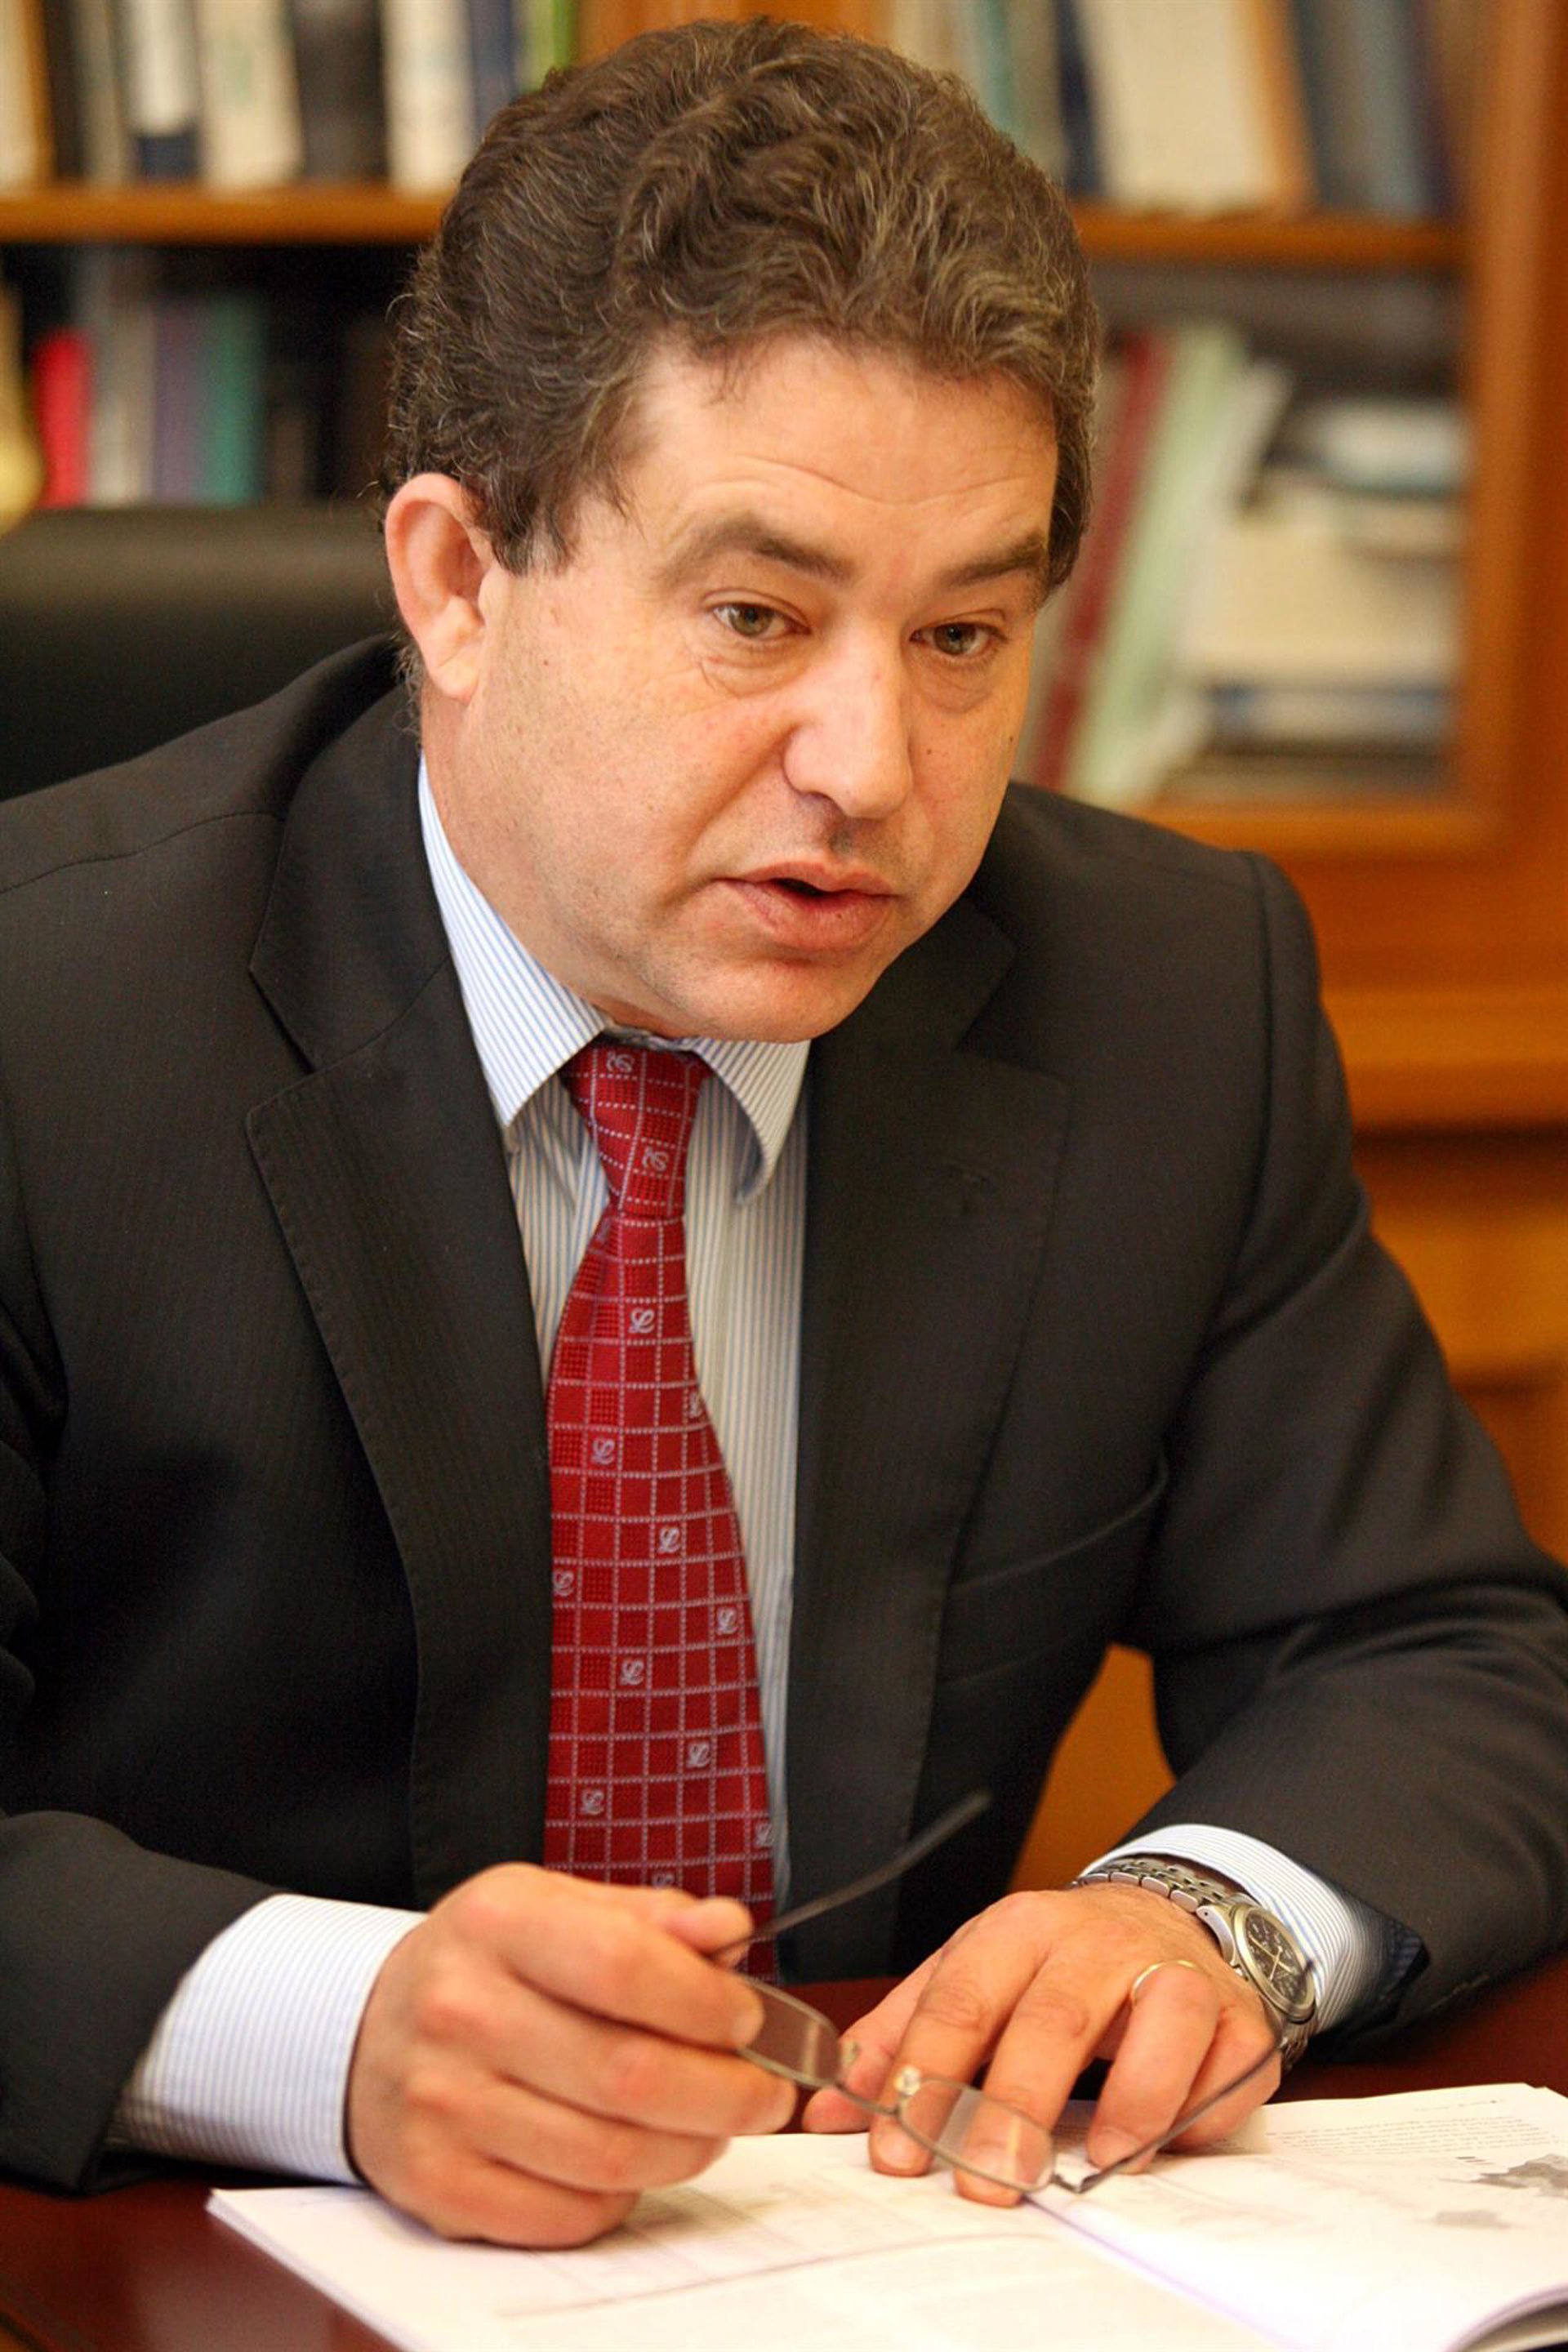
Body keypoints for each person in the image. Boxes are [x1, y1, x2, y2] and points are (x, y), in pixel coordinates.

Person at [1, 16, 1566, 2252]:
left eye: (964, 635)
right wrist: (320, 2030)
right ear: (458, 582)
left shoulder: (1161, 998)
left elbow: (1445, 1652)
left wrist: (1204, 1917)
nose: (873, 766)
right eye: (759, 617)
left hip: (888, 2248)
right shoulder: (44, 1022)